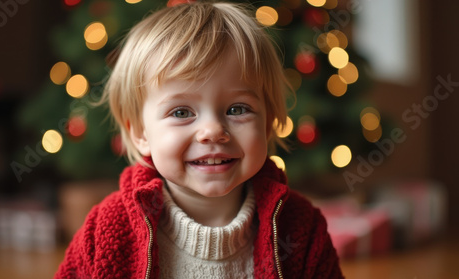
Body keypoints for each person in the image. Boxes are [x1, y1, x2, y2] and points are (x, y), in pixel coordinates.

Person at [55, 1, 344, 278]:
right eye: (181, 112)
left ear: (267, 124)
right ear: (140, 134)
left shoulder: (301, 228)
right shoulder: (108, 229)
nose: (213, 130)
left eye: (237, 109)